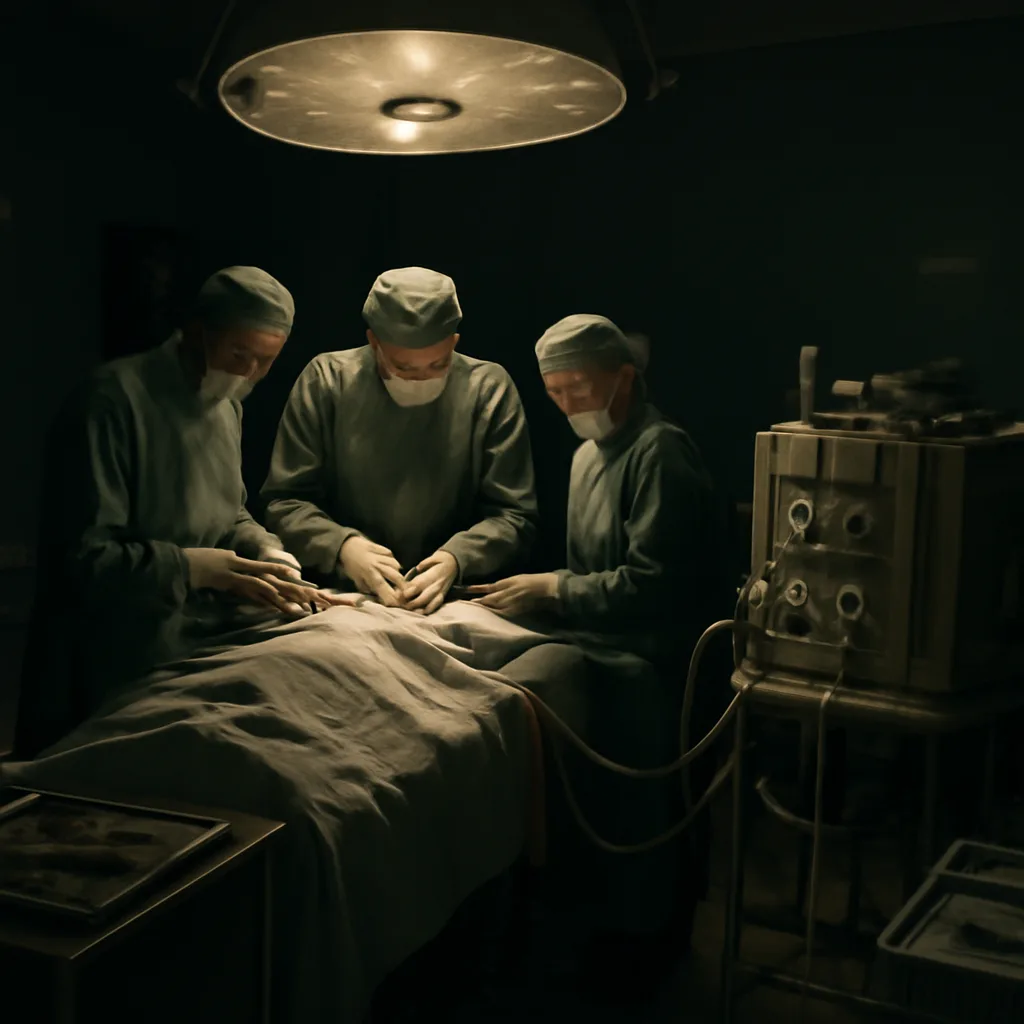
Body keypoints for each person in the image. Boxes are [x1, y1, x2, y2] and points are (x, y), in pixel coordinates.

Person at [469, 314, 731, 995]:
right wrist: (547, 595)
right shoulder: (589, 456)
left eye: (579, 389)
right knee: (603, 824)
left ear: (625, 377)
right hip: (603, 660)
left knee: (650, 824)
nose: (567, 406)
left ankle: (654, 950)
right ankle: (608, 939)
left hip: (657, 671)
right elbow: (595, 572)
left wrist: (555, 589)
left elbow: (654, 585)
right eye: (554, 393)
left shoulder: (660, 454)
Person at [15, 266, 343, 760]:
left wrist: (265, 550)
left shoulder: (225, 407)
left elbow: (228, 512)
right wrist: (191, 567)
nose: (249, 372)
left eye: (266, 360)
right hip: (111, 661)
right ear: (196, 330)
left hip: (192, 639)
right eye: (239, 353)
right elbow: (82, 563)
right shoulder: (111, 401)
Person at [262, 266, 538, 613]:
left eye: (438, 365)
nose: (420, 378)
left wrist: (457, 558)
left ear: (454, 343)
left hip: (453, 598)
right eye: (403, 367)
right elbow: (285, 502)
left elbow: (515, 515)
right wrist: (342, 547)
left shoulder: (487, 389)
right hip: (344, 597)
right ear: (373, 342)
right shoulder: (328, 381)